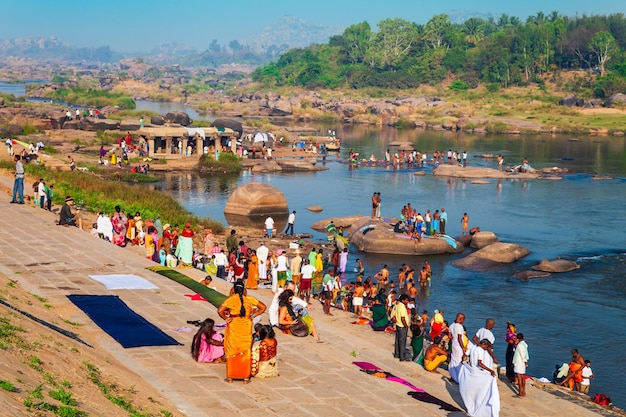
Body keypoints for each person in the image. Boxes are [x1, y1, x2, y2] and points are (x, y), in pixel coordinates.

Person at [217, 280, 267, 383]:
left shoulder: (230, 300)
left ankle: (230, 377)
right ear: (244, 290)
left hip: (234, 325)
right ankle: (245, 377)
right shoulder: (249, 299)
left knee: (232, 350)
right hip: (246, 325)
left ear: (234, 289)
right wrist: (253, 315)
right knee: (245, 350)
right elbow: (263, 307)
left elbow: (220, 310)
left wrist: (225, 318)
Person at [458, 339, 500, 417]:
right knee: (480, 392)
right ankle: (478, 408)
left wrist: (463, 361)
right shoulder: (480, 350)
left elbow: (465, 354)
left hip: (471, 372)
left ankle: (470, 407)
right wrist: (490, 370)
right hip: (478, 373)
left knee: (472, 391)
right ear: (483, 344)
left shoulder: (473, 347)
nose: (486, 349)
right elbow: (480, 363)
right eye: (486, 347)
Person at [448, 312, 466, 382]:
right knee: (458, 361)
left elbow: (449, 336)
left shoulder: (452, 325)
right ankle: (458, 378)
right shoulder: (459, 327)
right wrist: (463, 347)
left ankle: (452, 376)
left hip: (453, 344)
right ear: (461, 319)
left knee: (453, 360)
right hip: (458, 345)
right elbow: (459, 338)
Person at [392, 294, 410, 362]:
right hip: (402, 326)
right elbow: (403, 318)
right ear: (403, 300)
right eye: (406, 300)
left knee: (397, 340)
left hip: (398, 324)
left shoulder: (398, 305)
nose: (407, 301)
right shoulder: (402, 307)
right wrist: (406, 326)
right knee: (402, 341)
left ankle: (397, 354)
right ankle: (402, 356)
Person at [513, 333, 529, 397]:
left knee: (519, 377)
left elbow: (521, 354)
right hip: (523, 362)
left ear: (518, 339)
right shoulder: (524, 344)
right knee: (523, 377)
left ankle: (520, 392)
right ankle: (523, 391)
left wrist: (525, 361)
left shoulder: (520, 345)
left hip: (519, 362)